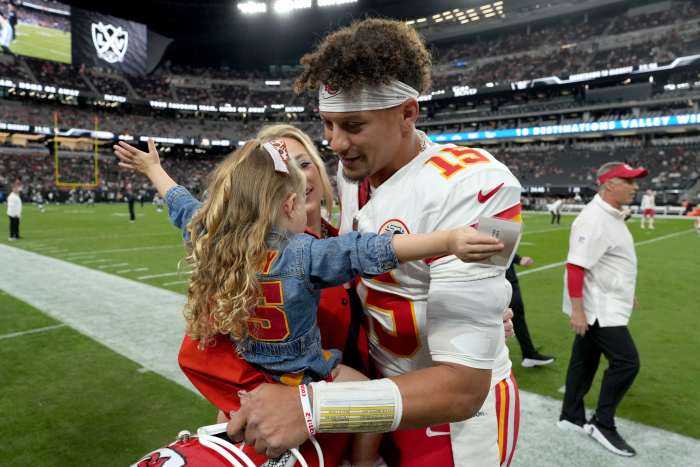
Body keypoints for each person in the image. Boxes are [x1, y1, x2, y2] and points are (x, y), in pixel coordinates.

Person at [225, 18, 523, 467]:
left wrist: (311, 408)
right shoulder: (354, 174)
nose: (336, 143)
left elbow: (462, 388)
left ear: (407, 113)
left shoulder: (474, 184)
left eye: (353, 125)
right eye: (327, 124)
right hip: (373, 397)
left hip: (450, 426)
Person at [115, 136, 503, 466]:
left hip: (256, 375)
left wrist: (153, 169)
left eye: (308, 161)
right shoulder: (305, 252)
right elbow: (370, 251)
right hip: (307, 374)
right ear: (289, 204)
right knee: (368, 402)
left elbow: (181, 203)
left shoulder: (218, 237)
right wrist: (446, 241)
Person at [558, 162, 647, 457]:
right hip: (598, 308)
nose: (636, 187)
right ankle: (602, 422)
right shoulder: (594, 219)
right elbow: (576, 266)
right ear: (609, 184)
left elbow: (607, 262)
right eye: (629, 181)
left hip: (606, 300)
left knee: (584, 361)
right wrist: (578, 311)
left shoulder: (611, 215)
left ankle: (571, 416)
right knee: (627, 362)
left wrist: (626, 291)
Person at [506, 253, 554, 367]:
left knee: (515, 317)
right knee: (513, 315)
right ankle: (529, 354)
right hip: (501, 278)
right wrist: (518, 259)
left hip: (503, 276)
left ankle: (529, 354)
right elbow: (498, 245)